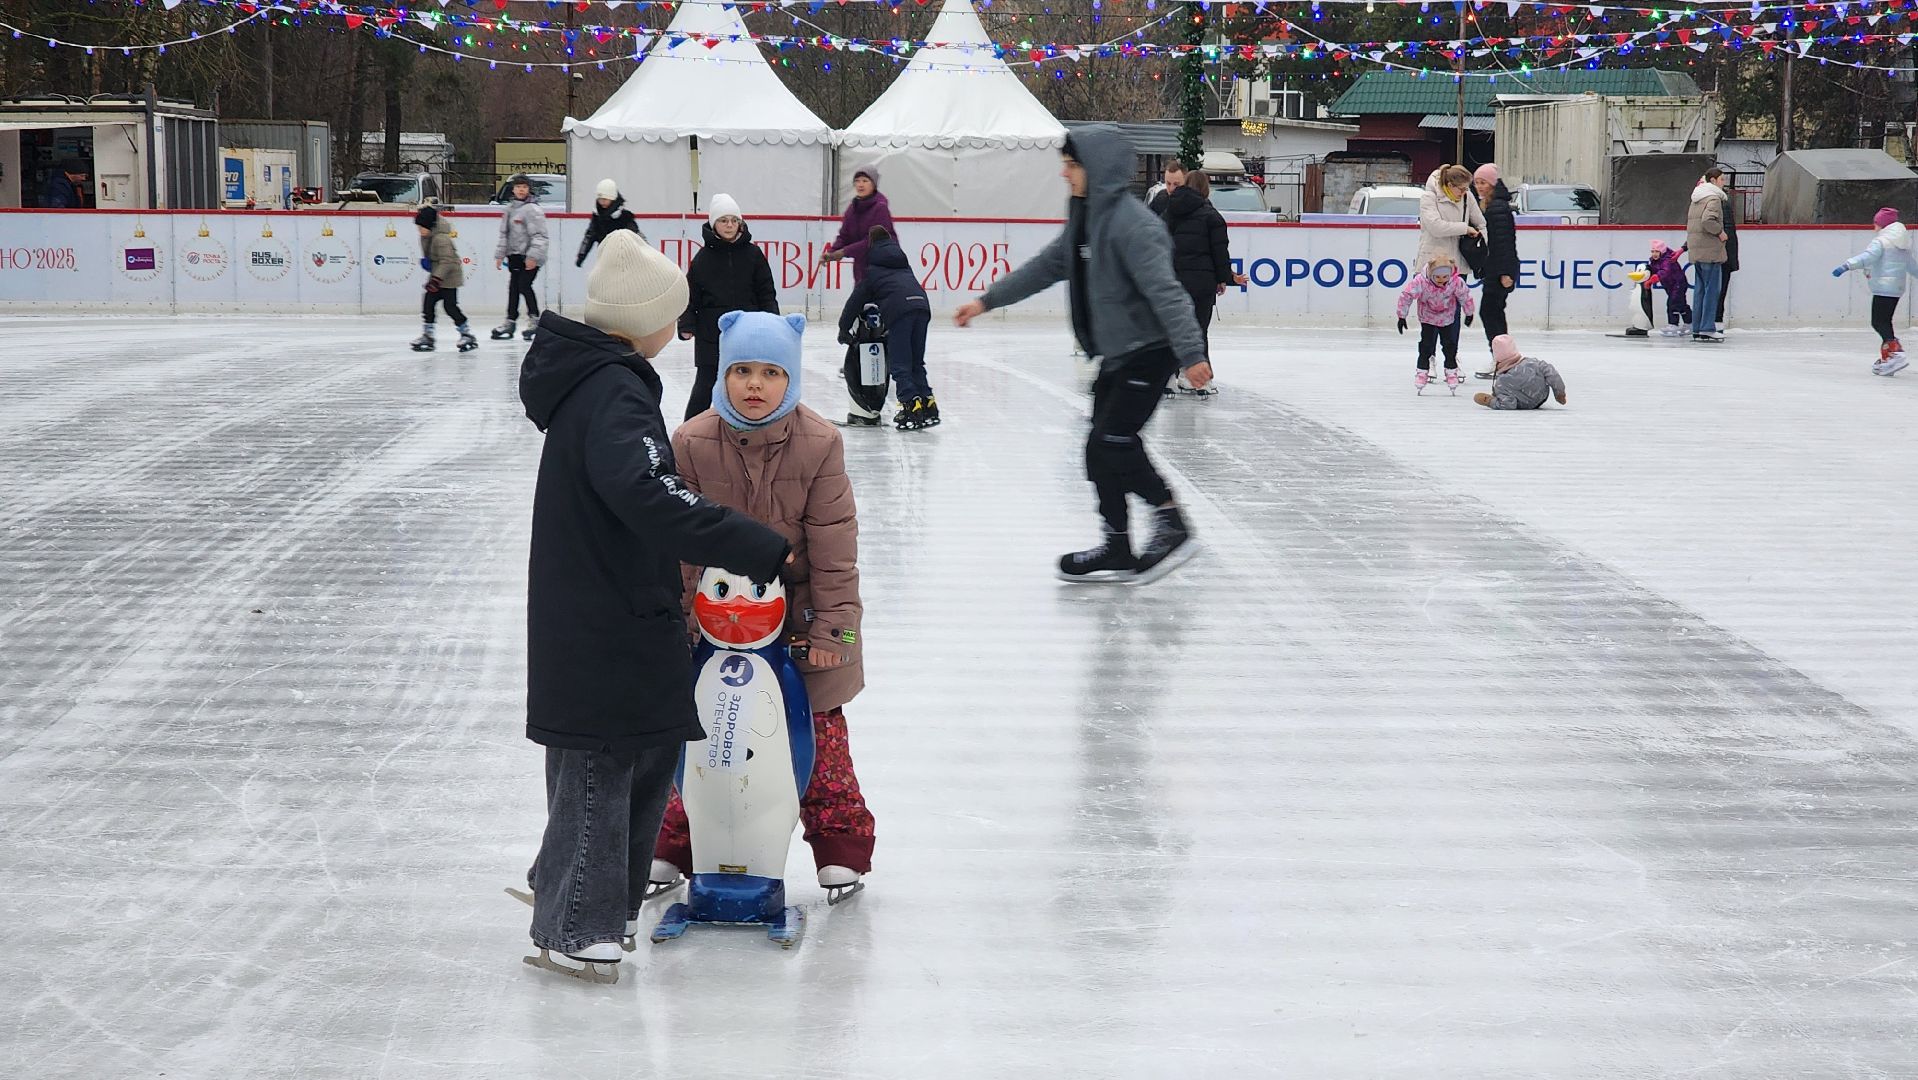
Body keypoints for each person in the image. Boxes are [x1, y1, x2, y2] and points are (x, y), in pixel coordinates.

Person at [515, 229, 790, 981]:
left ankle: (569, 892)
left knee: (628, 756)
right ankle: (578, 923)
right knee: (608, 761)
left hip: (608, 606)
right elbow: (647, 494)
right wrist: (754, 543)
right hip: (603, 613)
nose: (687, 321)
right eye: (679, 311)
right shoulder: (613, 389)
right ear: (647, 322)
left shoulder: (603, 381)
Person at [649, 310, 876, 903]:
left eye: (771, 372)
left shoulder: (820, 442)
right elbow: (674, 547)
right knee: (699, 738)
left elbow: (833, 550)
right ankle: (674, 841)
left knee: (817, 737)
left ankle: (839, 847)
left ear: (792, 378)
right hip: (711, 627)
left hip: (800, 628)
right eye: (742, 370)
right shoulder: (692, 441)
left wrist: (834, 633)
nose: (755, 385)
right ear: (722, 374)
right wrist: (674, 625)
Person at [952, 124, 1211, 585]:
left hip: (1149, 353)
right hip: (1117, 354)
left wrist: (1192, 354)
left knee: (1113, 442)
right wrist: (987, 301)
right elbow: (1045, 268)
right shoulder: (1086, 219)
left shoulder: (1135, 225)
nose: (1064, 174)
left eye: (1071, 166)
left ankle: (1171, 521)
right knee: (1098, 453)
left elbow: (1169, 294)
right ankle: (1116, 544)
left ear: (1096, 169)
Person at [678, 193, 778, 421]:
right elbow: (689, 295)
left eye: (734, 220)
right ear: (714, 224)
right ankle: (690, 431)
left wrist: (773, 323)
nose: (730, 225)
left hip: (747, 333)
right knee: (705, 385)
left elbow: (766, 292)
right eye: (724, 221)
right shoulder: (703, 258)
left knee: (744, 384)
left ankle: (745, 427)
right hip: (711, 334)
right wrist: (686, 323)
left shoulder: (754, 255)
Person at [838, 226, 938, 430]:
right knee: (916, 362)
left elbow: (855, 303)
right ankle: (928, 404)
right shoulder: (903, 265)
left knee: (900, 363)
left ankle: (910, 405)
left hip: (900, 313)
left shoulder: (873, 270)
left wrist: (843, 329)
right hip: (922, 307)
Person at [1158, 168, 1244, 394]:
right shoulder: (1212, 216)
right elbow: (1219, 253)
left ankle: (1168, 378)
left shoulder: (1170, 211)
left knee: (1174, 329)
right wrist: (1225, 278)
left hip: (1175, 282)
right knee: (1198, 331)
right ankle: (1198, 380)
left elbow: (1159, 244)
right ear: (1206, 190)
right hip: (1201, 284)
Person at [823, 168, 898, 424]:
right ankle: (862, 361)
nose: (861, 185)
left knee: (878, 322)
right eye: (857, 181)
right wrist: (832, 251)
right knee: (862, 317)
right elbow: (845, 234)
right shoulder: (854, 208)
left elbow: (872, 241)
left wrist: (841, 253)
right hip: (863, 274)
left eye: (865, 181)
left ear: (874, 184)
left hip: (882, 272)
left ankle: (882, 365)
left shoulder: (880, 208)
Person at [1833, 206, 1914, 376]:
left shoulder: (1881, 241)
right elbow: (1913, 266)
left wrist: (1847, 265)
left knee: (1878, 322)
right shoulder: (1902, 245)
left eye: (1876, 223)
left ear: (1882, 225)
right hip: (1896, 288)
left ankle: (1895, 352)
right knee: (1884, 321)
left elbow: (1868, 257)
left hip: (1883, 288)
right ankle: (1888, 356)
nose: (1874, 227)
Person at [1396, 255, 1476, 392]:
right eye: (1437, 277)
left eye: (1445, 277)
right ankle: (1422, 371)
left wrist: (1469, 313)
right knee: (1426, 345)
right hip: (1428, 317)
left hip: (1447, 317)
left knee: (1449, 345)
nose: (1441, 281)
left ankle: (1451, 371)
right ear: (1431, 274)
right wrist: (1402, 316)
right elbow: (1407, 295)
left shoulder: (1456, 282)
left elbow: (1465, 295)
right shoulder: (1421, 281)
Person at [1470, 164, 1520, 378]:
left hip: (1500, 270)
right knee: (1493, 312)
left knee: (1490, 313)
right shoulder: (1489, 204)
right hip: (1495, 268)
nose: (1479, 187)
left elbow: (1504, 243)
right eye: (1477, 183)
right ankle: (1502, 358)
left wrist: (1506, 273)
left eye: (1483, 183)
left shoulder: (1497, 207)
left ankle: (1502, 359)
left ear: (1492, 183)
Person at [408, 206, 477, 353]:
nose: (419, 230)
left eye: (422, 227)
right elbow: (434, 257)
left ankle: (466, 334)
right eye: (418, 227)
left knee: (450, 307)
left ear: (430, 226)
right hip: (437, 276)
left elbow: (447, 261)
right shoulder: (426, 236)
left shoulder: (441, 239)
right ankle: (428, 335)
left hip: (449, 277)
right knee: (428, 303)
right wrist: (429, 263)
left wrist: (436, 279)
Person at [492, 173, 550, 342]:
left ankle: (535, 320)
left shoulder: (533, 209)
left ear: (528, 189)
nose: (521, 190)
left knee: (524, 285)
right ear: (513, 189)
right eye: (518, 187)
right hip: (515, 256)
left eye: (524, 187)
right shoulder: (509, 210)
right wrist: (500, 254)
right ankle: (510, 321)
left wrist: (532, 257)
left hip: (530, 256)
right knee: (514, 288)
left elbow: (540, 236)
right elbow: (504, 235)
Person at [1417, 165, 1487, 277]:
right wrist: (1465, 229)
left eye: (1467, 188)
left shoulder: (1467, 197)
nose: (1465, 192)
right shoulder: (1429, 197)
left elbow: (1481, 224)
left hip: (1459, 267)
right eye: (1461, 189)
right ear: (1450, 185)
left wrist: (1482, 248)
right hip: (1432, 264)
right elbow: (1435, 227)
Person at [1685, 173, 1728, 343]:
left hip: (1697, 250)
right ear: (1713, 180)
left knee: (1700, 290)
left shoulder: (1696, 198)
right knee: (1712, 290)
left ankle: (1697, 327)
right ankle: (1707, 327)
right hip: (1710, 251)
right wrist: (1720, 232)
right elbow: (1707, 221)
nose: (1724, 182)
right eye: (1722, 179)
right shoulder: (1713, 199)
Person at [1473, 335, 1567, 410]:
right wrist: (1560, 393)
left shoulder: (1502, 383)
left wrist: (1490, 401)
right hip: (1542, 396)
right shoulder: (1533, 363)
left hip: (1526, 404)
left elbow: (1508, 404)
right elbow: (1552, 374)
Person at [575, 178, 641, 267]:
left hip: (624, 262)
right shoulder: (597, 218)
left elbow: (637, 238)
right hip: (604, 260)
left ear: (613, 199)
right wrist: (581, 256)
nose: (602, 202)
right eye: (600, 199)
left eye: (605, 199)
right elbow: (589, 237)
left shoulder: (625, 217)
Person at [1641, 240, 1692, 336]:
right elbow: (1654, 269)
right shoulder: (1655, 261)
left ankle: (1673, 324)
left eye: (1656, 251)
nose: (1654, 254)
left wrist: (1652, 280)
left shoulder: (1668, 259)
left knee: (1673, 303)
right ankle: (1689, 322)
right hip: (1670, 285)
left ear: (1662, 251)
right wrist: (1646, 270)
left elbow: (1664, 272)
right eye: (1652, 251)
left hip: (1678, 284)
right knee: (1681, 304)